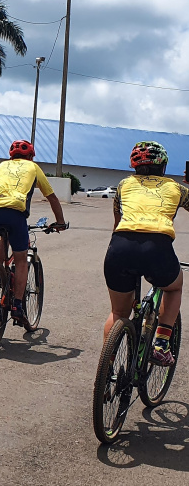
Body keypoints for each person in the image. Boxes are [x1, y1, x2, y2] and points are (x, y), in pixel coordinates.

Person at [103, 141, 187, 366]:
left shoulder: (123, 185)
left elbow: (117, 220)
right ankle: (161, 343)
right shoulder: (177, 188)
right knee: (175, 286)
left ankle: (107, 371)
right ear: (163, 166)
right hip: (157, 247)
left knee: (118, 312)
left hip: (120, 246)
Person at [0, 139, 67, 325]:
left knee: (3, 236)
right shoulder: (33, 167)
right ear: (30, 156)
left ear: (11, 155)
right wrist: (60, 222)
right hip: (15, 214)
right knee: (21, 260)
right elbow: (51, 197)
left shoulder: (2, 165)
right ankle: (17, 305)